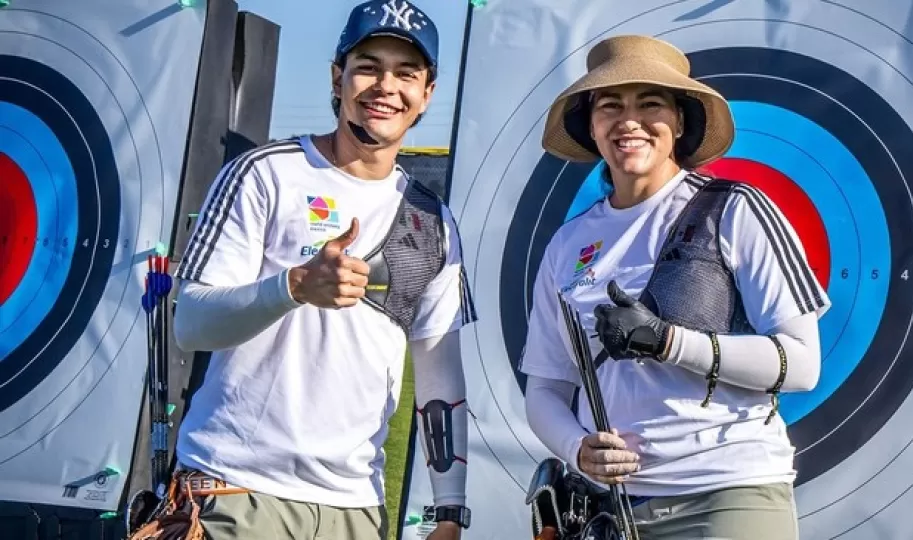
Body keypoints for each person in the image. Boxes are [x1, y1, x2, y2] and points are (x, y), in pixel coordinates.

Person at [156, 1, 477, 539]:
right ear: (338, 76)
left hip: (357, 509)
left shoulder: (433, 221)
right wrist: (294, 286)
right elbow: (191, 323)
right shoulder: (265, 173)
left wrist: (449, 511)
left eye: (406, 73)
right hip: (237, 491)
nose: (385, 87)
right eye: (369, 66)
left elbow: (440, 375)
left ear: (428, 93)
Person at [520, 35, 830, 539]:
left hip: (728, 494)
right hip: (612, 510)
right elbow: (547, 387)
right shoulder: (567, 244)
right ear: (592, 126)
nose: (629, 121)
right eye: (610, 105)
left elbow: (800, 364)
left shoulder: (734, 208)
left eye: (650, 104)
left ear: (679, 122)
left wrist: (669, 343)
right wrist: (577, 448)